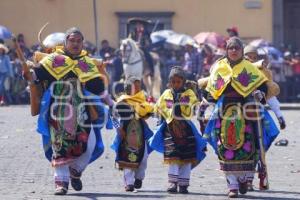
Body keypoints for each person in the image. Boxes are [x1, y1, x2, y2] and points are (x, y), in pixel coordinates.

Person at [23, 27, 114, 195]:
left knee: (90, 144)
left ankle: (76, 170)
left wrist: (111, 103)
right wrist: (29, 75)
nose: (75, 44)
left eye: (79, 41)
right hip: (58, 110)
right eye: (72, 40)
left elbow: (98, 87)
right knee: (60, 145)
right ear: (65, 42)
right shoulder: (54, 60)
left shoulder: (86, 62)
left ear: (82, 43)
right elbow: (38, 75)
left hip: (82, 110)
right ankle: (61, 183)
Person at [203, 37, 279, 198]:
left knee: (248, 144)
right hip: (224, 110)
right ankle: (232, 186)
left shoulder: (249, 67)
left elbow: (262, 86)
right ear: (227, 50)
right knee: (224, 144)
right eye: (231, 48)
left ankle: (245, 179)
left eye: (237, 48)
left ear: (241, 50)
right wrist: (209, 100)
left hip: (247, 110)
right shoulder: (220, 67)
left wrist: (260, 93)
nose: (234, 51)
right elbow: (210, 90)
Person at [150, 66, 206, 194]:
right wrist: (163, 115)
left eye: (178, 82)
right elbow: (159, 107)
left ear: (183, 82)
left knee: (187, 158)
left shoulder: (189, 94)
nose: (175, 84)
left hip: (186, 130)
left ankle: (184, 184)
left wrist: (179, 105)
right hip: (170, 130)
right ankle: (172, 183)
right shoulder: (166, 94)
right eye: (173, 82)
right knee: (173, 157)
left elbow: (191, 108)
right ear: (169, 82)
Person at [111, 76, 154, 192]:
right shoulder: (122, 101)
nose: (138, 89)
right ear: (128, 88)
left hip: (140, 133)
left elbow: (147, 114)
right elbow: (113, 117)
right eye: (135, 87)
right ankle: (128, 183)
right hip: (125, 132)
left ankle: (139, 177)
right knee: (126, 157)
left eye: (139, 87)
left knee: (143, 157)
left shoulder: (142, 100)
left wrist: (147, 112)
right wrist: (118, 129)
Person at [244, 45, 286, 130]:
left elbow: (267, 78)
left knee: (273, 101)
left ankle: (280, 117)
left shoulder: (259, 67)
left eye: (254, 57)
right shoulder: (242, 66)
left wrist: (264, 67)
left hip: (260, 92)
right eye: (249, 56)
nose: (252, 59)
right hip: (245, 91)